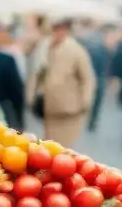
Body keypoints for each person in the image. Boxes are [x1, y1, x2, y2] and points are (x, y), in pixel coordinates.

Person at [33, 19, 96, 148]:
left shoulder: (76, 50)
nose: (57, 32)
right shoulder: (47, 47)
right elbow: (40, 74)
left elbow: (87, 78)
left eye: (61, 29)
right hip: (50, 108)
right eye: (55, 29)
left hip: (69, 109)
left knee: (64, 149)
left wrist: (85, 102)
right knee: (49, 147)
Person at [80, 24, 112, 132]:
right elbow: (107, 65)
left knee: (90, 100)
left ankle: (89, 119)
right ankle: (92, 120)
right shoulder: (103, 50)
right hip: (100, 79)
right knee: (97, 102)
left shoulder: (88, 49)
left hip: (92, 78)